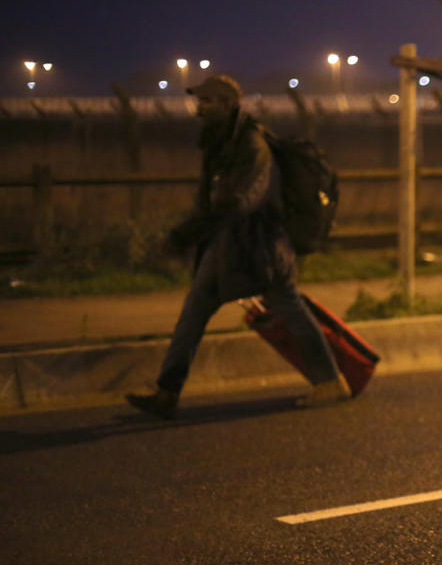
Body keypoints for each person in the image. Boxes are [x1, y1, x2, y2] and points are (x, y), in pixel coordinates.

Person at [125, 74, 350, 420]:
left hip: (260, 246)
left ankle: (330, 381)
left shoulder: (251, 143)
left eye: (207, 101)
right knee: (194, 311)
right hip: (228, 245)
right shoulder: (220, 141)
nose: (199, 107)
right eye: (199, 101)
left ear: (228, 104)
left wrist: (184, 234)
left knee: (288, 307)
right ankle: (167, 391)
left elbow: (241, 200)